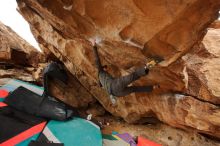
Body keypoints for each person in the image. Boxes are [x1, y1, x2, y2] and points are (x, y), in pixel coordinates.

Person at [92, 42, 162, 104]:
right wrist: (94, 45)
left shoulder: (100, 79)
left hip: (117, 94)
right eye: (106, 69)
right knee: (134, 75)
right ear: (103, 68)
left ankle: (152, 87)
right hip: (115, 84)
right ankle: (146, 67)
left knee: (134, 89)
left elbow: (100, 85)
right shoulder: (100, 70)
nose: (107, 70)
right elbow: (97, 60)